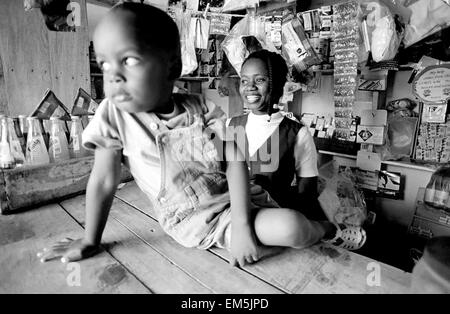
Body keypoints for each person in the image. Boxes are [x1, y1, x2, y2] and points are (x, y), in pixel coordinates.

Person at [37, 3, 366, 268]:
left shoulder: (203, 110)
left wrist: (241, 224)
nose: (114, 76)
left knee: (296, 227)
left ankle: (329, 231)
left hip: (238, 201)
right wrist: (90, 239)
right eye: (104, 64)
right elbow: (104, 181)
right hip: (196, 222)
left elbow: (236, 163)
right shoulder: (113, 115)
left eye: (128, 60)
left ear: (172, 66)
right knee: (287, 229)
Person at [227, 50, 324, 220]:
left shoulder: (297, 134)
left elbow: (306, 197)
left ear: (277, 83)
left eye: (260, 80)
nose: (250, 87)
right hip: (231, 221)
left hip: (273, 223)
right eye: (244, 80)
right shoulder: (230, 126)